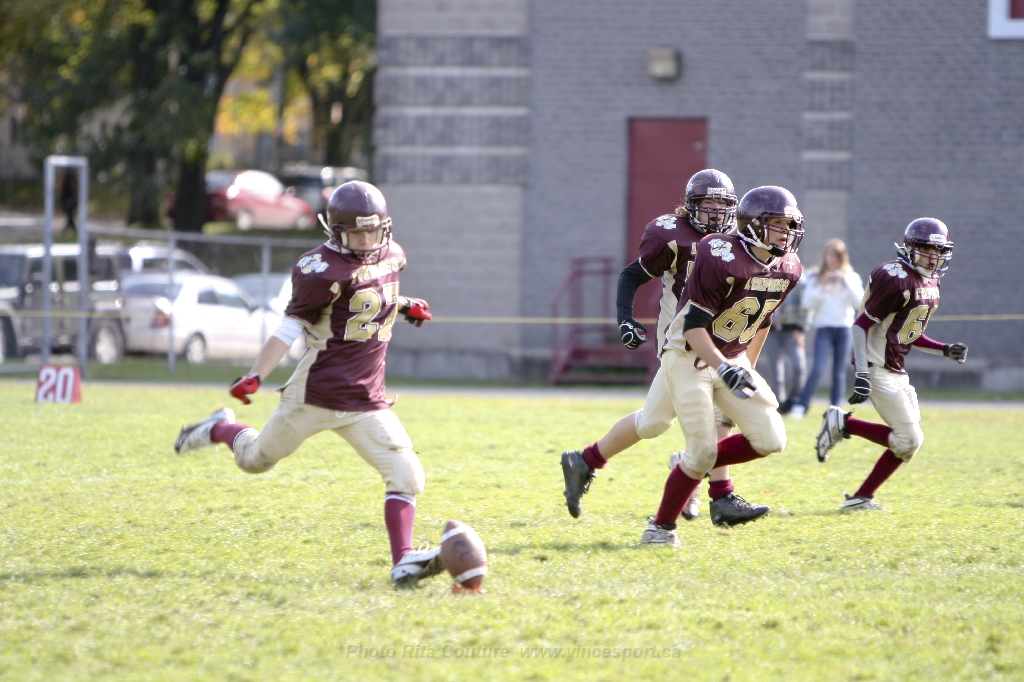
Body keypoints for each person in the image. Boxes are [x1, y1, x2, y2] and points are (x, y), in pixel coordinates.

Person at [173, 181, 441, 587]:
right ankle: (218, 428)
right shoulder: (320, 270)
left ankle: (403, 560)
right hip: (315, 394)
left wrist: (403, 306)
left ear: (384, 227)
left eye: (372, 231)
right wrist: (256, 374)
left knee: (407, 474)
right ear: (335, 231)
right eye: (356, 233)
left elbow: (367, 298)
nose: (365, 240)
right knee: (254, 460)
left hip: (365, 399)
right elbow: (289, 329)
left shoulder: (392, 255)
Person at [560, 170, 770, 527]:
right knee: (705, 414)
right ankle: (720, 496)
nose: (716, 211)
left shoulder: (741, 241)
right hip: (683, 341)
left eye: (723, 204)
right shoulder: (671, 235)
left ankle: (585, 461)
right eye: (707, 203)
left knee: (654, 421)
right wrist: (625, 319)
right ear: (690, 205)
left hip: (724, 340)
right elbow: (632, 275)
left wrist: (746, 360)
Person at [641, 186, 805, 546]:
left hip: (732, 356)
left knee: (771, 438)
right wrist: (723, 366)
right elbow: (693, 327)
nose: (786, 232)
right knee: (700, 451)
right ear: (753, 224)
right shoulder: (719, 254)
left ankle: (688, 463)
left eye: (790, 224)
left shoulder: (789, 267)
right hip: (688, 354)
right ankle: (660, 527)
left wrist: (746, 365)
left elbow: (761, 320)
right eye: (777, 224)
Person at [814, 218, 966, 510]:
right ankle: (844, 424)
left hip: (896, 367)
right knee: (909, 439)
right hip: (876, 365)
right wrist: (861, 373)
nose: (933, 257)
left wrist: (943, 350)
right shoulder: (896, 278)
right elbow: (860, 326)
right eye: (926, 249)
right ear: (910, 248)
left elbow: (907, 333)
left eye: (938, 250)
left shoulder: (931, 282)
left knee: (908, 443)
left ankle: (861, 497)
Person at [789, 239, 863, 418]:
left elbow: (859, 303)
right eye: (830, 255)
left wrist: (845, 283)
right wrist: (822, 286)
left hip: (844, 329)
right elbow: (807, 304)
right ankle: (801, 405)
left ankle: (836, 410)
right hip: (824, 328)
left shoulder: (851, 277)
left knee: (839, 373)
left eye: (837, 256)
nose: (833, 259)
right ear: (825, 256)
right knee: (818, 368)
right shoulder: (816, 277)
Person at [763, 275, 808, 414]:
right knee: (776, 371)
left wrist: (801, 329)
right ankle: (779, 404)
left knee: (798, 365)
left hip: (792, 330)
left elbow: (807, 305)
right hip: (770, 330)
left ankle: (793, 400)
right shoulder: (767, 275)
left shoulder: (799, 279)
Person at [60, 170, 77, 234]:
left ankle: (70, 227)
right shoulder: (70, 183)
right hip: (69, 200)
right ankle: (71, 227)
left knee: (69, 215)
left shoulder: (68, 183)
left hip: (68, 200)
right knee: (69, 215)